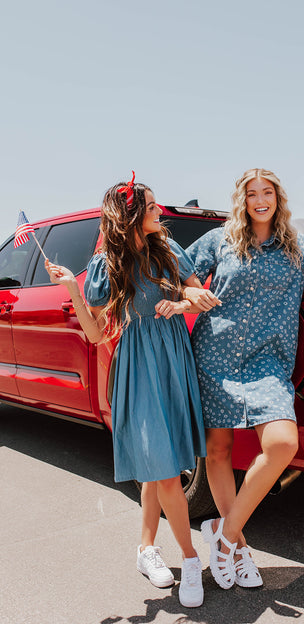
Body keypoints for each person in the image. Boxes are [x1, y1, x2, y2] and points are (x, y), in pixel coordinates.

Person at [184, 169, 304, 590]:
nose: (260, 199)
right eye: (253, 193)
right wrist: (193, 291)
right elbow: (179, 267)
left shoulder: (297, 246)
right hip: (215, 355)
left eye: (267, 192)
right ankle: (243, 548)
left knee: (283, 444)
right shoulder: (220, 240)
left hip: (269, 364)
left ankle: (226, 539)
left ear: (277, 198)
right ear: (243, 200)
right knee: (217, 450)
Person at [45, 172, 220, 608]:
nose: (161, 211)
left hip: (174, 360)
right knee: (161, 469)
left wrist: (182, 301)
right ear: (132, 214)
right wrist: (71, 286)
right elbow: (93, 333)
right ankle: (192, 559)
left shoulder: (168, 250)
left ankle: (146, 549)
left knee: (158, 461)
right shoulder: (106, 266)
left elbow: (202, 296)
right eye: (154, 206)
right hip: (139, 367)